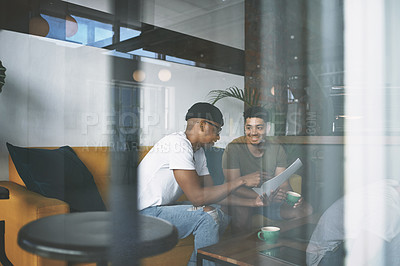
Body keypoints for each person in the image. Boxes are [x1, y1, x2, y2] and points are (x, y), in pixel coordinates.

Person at [137, 102, 271, 266]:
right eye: (217, 130)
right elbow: (198, 198)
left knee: (223, 211)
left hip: (161, 211)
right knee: (208, 216)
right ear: (202, 125)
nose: (218, 137)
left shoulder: (198, 152)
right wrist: (242, 180)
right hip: (142, 217)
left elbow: (211, 195)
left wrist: (252, 202)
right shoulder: (177, 144)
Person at [222, 106, 313, 233]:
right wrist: (262, 197)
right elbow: (233, 186)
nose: (253, 132)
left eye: (259, 127)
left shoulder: (276, 149)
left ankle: (281, 246)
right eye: (249, 127)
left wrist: (291, 198)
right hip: (245, 200)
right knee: (242, 211)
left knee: (306, 209)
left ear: (268, 128)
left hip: (269, 201)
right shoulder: (234, 148)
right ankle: (241, 251)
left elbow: (284, 183)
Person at [306, 178, 400, 266]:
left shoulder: (389, 186)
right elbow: (356, 260)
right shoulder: (387, 210)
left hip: (333, 248)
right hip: (328, 255)